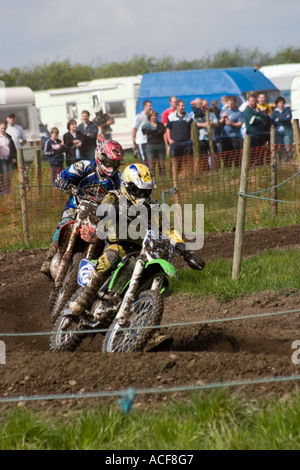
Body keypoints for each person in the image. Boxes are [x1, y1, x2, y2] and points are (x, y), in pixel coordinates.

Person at [68, 163, 205, 318]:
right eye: (137, 190)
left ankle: (146, 327)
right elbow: (103, 209)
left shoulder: (153, 207)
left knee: (154, 276)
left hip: (143, 250)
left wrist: (187, 253)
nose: (141, 194)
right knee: (112, 257)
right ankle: (83, 300)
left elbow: (169, 230)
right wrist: (112, 211)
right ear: (127, 186)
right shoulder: (115, 196)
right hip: (118, 243)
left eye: (145, 191)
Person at [40, 140, 124, 278]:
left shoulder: (117, 179)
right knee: (65, 220)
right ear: (101, 157)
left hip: (100, 215)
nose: (112, 166)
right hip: (77, 205)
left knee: (109, 237)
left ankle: (102, 271)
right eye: (110, 161)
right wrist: (64, 183)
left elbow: (122, 197)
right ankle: (49, 258)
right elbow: (61, 176)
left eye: (115, 163)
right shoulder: (85, 167)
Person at [243, 93, 268, 165]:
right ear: (248, 101)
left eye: (254, 101)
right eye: (251, 101)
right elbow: (252, 121)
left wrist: (258, 113)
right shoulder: (247, 110)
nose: (253, 103)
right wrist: (260, 120)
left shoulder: (258, 110)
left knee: (260, 150)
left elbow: (265, 117)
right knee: (253, 151)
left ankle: (260, 164)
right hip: (252, 134)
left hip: (260, 133)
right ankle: (253, 165)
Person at [219, 96, 243, 167]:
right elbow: (219, 122)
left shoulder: (239, 113)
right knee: (226, 156)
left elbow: (240, 124)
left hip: (235, 137)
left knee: (236, 156)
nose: (230, 105)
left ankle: (237, 169)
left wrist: (231, 123)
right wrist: (223, 118)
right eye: (229, 104)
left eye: (232, 104)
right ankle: (227, 170)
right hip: (225, 137)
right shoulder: (224, 111)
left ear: (235, 103)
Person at [195, 99, 219, 169]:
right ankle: (205, 169)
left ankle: (215, 168)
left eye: (207, 105)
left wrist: (210, 123)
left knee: (214, 154)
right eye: (204, 105)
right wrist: (203, 125)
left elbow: (217, 123)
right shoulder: (197, 114)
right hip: (202, 138)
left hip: (211, 137)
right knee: (203, 155)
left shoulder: (211, 114)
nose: (206, 106)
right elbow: (194, 123)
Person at [142, 110, 166, 177]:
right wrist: (156, 131)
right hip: (150, 147)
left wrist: (152, 132)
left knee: (161, 164)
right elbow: (146, 132)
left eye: (155, 116)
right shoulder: (145, 126)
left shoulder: (161, 125)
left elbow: (162, 131)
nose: (154, 117)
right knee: (151, 165)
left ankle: (162, 177)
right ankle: (152, 177)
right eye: (152, 116)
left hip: (161, 146)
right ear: (149, 117)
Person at [271, 96, 294, 163]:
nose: (281, 104)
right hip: (278, 131)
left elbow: (288, 119)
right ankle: (281, 161)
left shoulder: (287, 110)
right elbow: (274, 121)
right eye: (279, 103)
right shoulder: (274, 112)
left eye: (282, 103)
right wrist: (284, 118)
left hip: (288, 131)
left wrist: (279, 119)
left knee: (288, 147)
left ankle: (289, 161)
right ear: (277, 104)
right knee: (280, 147)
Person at [132, 100, 152, 165]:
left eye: (151, 106)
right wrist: (133, 142)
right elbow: (134, 129)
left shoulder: (150, 116)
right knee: (144, 159)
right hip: (141, 141)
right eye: (149, 106)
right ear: (145, 106)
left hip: (149, 141)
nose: (151, 107)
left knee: (150, 158)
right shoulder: (139, 116)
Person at [0, 121, 17, 194]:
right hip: (1, 159)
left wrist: (14, 157)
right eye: (1, 128)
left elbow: (13, 148)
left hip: (9, 158)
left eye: (4, 128)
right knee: (4, 174)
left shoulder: (9, 137)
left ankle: (7, 191)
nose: (3, 130)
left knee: (8, 175)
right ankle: (3, 190)